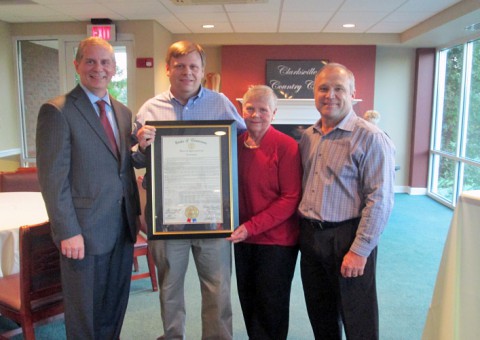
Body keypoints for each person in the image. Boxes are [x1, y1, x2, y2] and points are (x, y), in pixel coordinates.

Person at [132, 40, 246, 340]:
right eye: (180, 66)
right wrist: (140, 146)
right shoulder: (149, 109)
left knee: (218, 287)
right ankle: (173, 337)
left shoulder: (221, 104)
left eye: (193, 66)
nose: (187, 72)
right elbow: (135, 157)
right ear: (168, 69)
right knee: (169, 287)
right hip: (167, 218)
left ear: (202, 70)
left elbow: (244, 144)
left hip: (214, 216)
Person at [36, 37, 140, 339]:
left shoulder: (122, 112)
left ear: (115, 67)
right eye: (91, 61)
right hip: (84, 231)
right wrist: (68, 230)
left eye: (105, 62)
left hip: (122, 228)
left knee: (114, 306)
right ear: (77, 65)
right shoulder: (57, 111)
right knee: (84, 313)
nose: (99, 69)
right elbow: (53, 179)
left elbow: (122, 167)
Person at [298, 63, 395, 340]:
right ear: (315, 94)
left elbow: (381, 200)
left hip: (348, 237)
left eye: (339, 88)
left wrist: (360, 250)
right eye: (323, 88)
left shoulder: (371, 138)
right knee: (321, 315)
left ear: (353, 93)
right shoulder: (308, 137)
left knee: (358, 317)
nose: (330, 95)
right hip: (311, 237)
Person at [227, 85, 302, 339]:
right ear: (241, 110)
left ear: (274, 113)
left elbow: (290, 198)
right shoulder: (233, 146)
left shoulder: (287, 146)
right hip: (243, 239)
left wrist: (251, 227)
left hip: (277, 242)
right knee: (248, 302)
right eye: (250, 108)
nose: (256, 114)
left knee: (271, 307)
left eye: (263, 109)